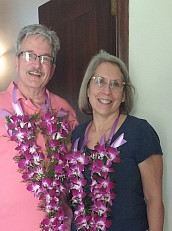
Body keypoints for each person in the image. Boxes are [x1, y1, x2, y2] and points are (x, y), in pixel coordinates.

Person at [0, 24, 78, 231]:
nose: (37, 65)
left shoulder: (65, 111)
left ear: (53, 68)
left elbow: (75, 174)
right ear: (16, 61)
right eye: (29, 55)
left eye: (45, 58)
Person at [70, 50, 164, 231]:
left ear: (123, 95)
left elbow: (154, 199)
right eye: (100, 81)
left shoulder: (140, 131)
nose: (107, 90)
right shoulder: (77, 135)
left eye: (115, 84)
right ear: (88, 88)